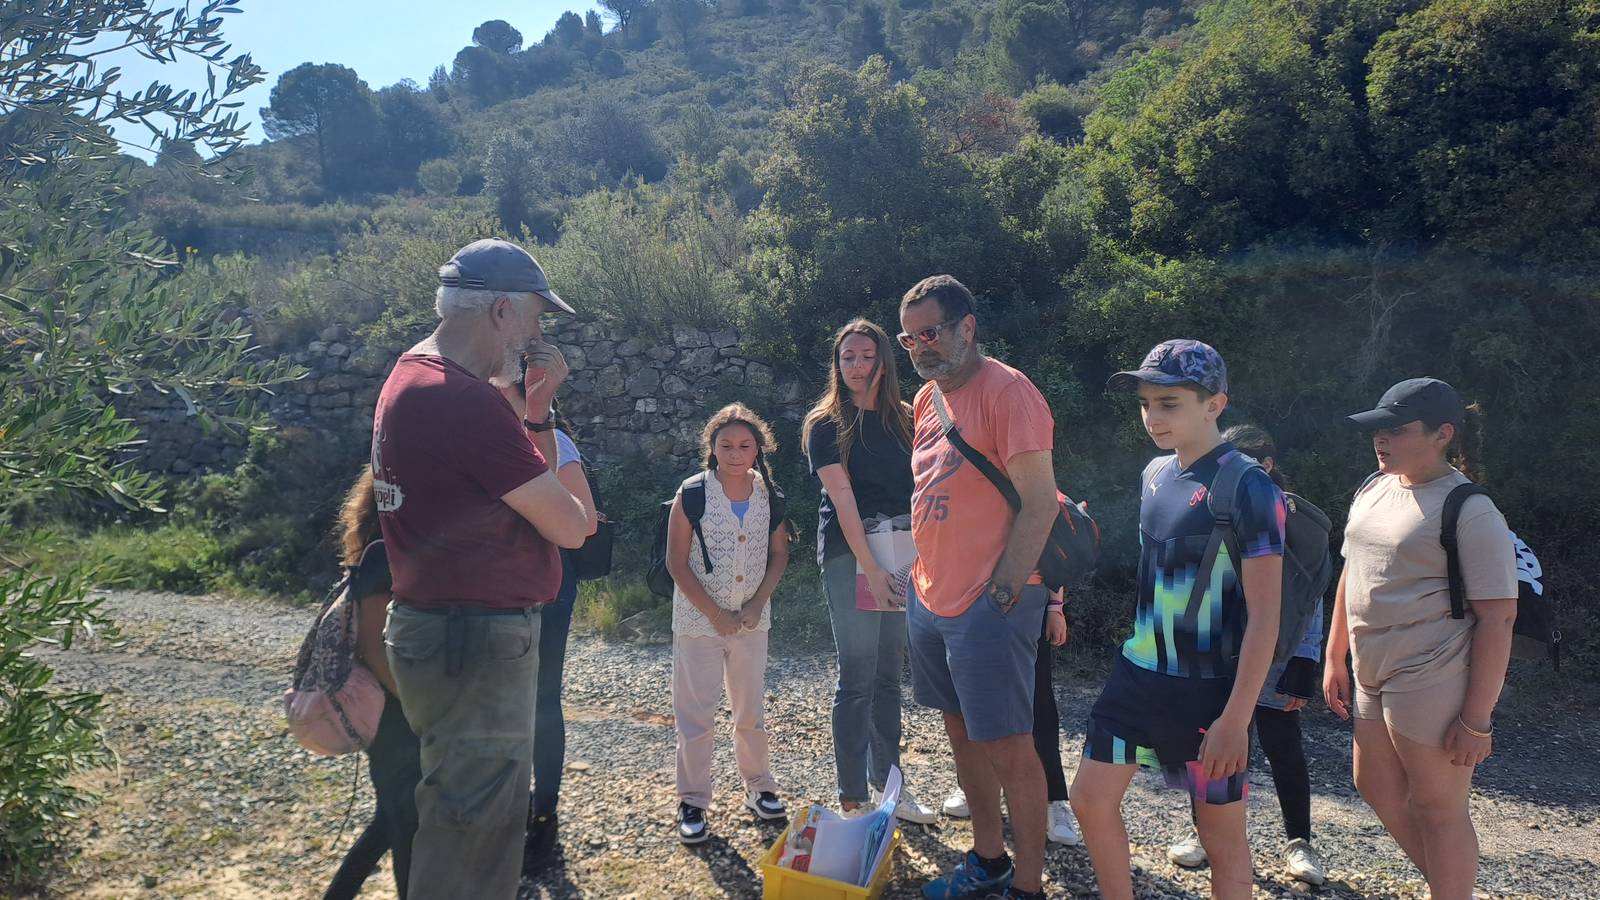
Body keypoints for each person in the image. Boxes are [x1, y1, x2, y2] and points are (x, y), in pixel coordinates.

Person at [371, 239, 594, 900]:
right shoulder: (458, 400)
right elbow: (573, 524)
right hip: (474, 644)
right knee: (474, 826)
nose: (537, 335)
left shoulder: (412, 375)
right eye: (534, 317)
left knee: (461, 813)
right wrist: (537, 417)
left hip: (441, 633)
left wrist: (536, 411)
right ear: (501, 310)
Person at [1071, 339, 1285, 900]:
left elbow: (1266, 617)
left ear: (1215, 403)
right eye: (1146, 403)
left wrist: (1236, 719)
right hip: (1136, 674)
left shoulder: (1249, 486)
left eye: (1169, 404)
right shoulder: (1154, 474)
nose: (1152, 417)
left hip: (1207, 693)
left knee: (1220, 838)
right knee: (1089, 800)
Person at [1324, 378, 1517, 900]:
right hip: (1370, 665)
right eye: (1377, 431)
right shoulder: (1374, 486)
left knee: (1438, 807)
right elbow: (1352, 570)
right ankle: (1453, 887)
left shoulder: (1470, 510)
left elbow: (1499, 618)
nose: (1380, 440)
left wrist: (1477, 720)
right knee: (1376, 787)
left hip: (1433, 669)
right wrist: (1333, 652)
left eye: (1395, 430)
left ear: (1442, 434)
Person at [899, 275, 1058, 900]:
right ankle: (988, 860)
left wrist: (1002, 593)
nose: (919, 347)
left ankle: (1027, 886)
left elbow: (1040, 504)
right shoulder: (926, 401)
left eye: (930, 333)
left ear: (968, 327)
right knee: (961, 734)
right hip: (931, 594)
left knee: (1012, 746)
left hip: (988, 601)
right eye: (909, 337)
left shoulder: (1009, 392)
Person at [1167, 424, 1326, 885]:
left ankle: (1299, 841)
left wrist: (1304, 662)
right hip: (1217, 652)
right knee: (1213, 744)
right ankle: (1205, 833)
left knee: (1283, 748)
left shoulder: (1295, 518)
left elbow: (1310, 592)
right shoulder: (1213, 506)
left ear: (1268, 465)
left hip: (1278, 654)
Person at [801, 318, 937, 826]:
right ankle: (853, 798)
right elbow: (842, 499)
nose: (856, 366)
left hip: (904, 553)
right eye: (847, 357)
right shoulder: (825, 423)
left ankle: (892, 787)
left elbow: (925, 491)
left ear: (883, 359)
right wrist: (870, 568)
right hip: (849, 554)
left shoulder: (906, 416)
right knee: (857, 679)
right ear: (837, 365)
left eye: (865, 356)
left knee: (887, 677)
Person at [668, 403, 792, 845]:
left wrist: (757, 604)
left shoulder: (768, 494)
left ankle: (760, 787)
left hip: (751, 624)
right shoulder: (693, 494)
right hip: (698, 623)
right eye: (727, 445)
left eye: (745, 445)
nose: (736, 453)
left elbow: (780, 554)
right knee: (696, 715)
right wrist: (715, 614)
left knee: (750, 711)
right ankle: (693, 800)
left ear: (759, 448)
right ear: (712, 448)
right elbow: (676, 563)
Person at [322, 469, 419, 900]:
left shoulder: (379, 553)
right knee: (405, 827)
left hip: (396, 711)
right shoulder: (382, 557)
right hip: (395, 716)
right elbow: (375, 649)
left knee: (392, 817)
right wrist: (419, 706)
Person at [942, 596, 1083, 847]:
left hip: (1028, 602)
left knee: (1038, 702)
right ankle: (971, 788)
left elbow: (1057, 556)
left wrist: (1055, 606)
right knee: (971, 698)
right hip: (967, 599)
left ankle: (1054, 800)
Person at [522, 419, 599, 872]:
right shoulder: (476, 429)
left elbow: (584, 520)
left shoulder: (557, 442)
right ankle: (513, 810)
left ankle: (543, 816)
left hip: (547, 582)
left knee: (542, 698)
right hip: (492, 585)